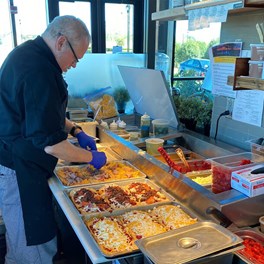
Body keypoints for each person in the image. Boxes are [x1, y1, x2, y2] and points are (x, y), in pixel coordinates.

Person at [0, 15, 107, 264]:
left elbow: (44, 114)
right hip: (19, 172)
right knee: (32, 252)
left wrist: (76, 131)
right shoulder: (38, 69)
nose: (75, 64)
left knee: (28, 246)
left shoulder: (32, 56)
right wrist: (93, 157)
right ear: (61, 42)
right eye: (76, 57)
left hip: (23, 166)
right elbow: (52, 145)